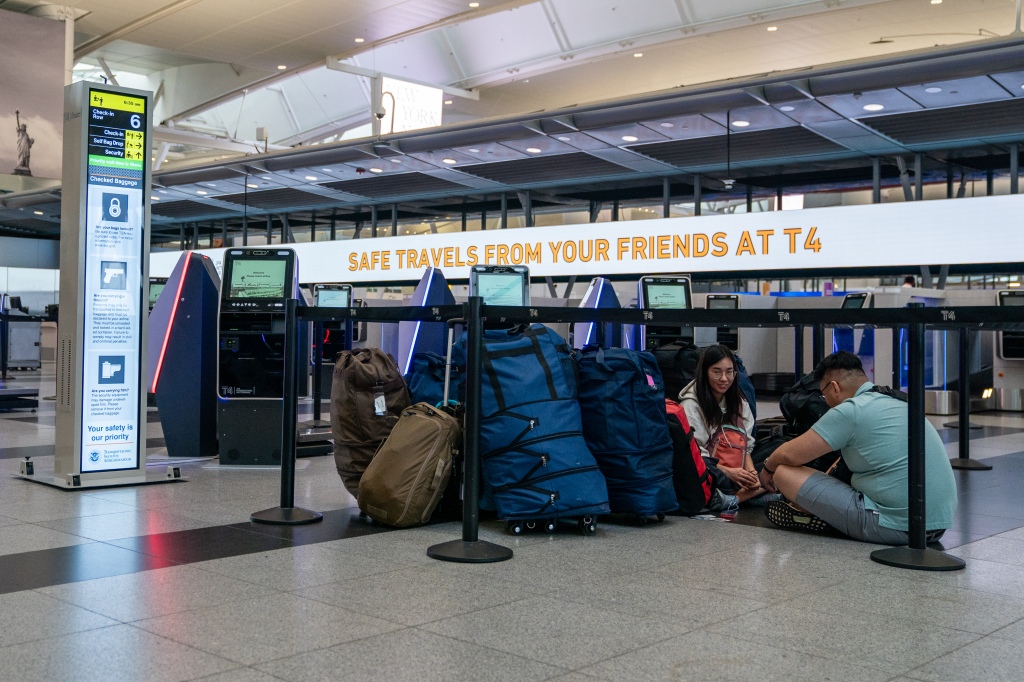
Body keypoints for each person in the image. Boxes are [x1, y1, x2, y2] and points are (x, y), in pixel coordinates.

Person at [759, 351, 957, 544]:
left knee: (784, 472)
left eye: (823, 394)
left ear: (834, 387)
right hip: (936, 526)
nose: (825, 401)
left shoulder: (850, 410)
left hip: (897, 526)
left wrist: (768, 468)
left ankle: (822, 517)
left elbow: (789, 454)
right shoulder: (895, 400)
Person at [679, 344, 769, 507]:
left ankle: (737, 497)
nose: (724, 378)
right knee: (700, 468)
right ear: (705, 372)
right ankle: (747, 496)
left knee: (777, 465)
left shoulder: (740, 402)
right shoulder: (692, 404)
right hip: (713, 469)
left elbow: (746, 448)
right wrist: (729, 472)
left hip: (737, 467)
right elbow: (696, 453)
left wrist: (751, 474)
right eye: (717, 372)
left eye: (729, 372)